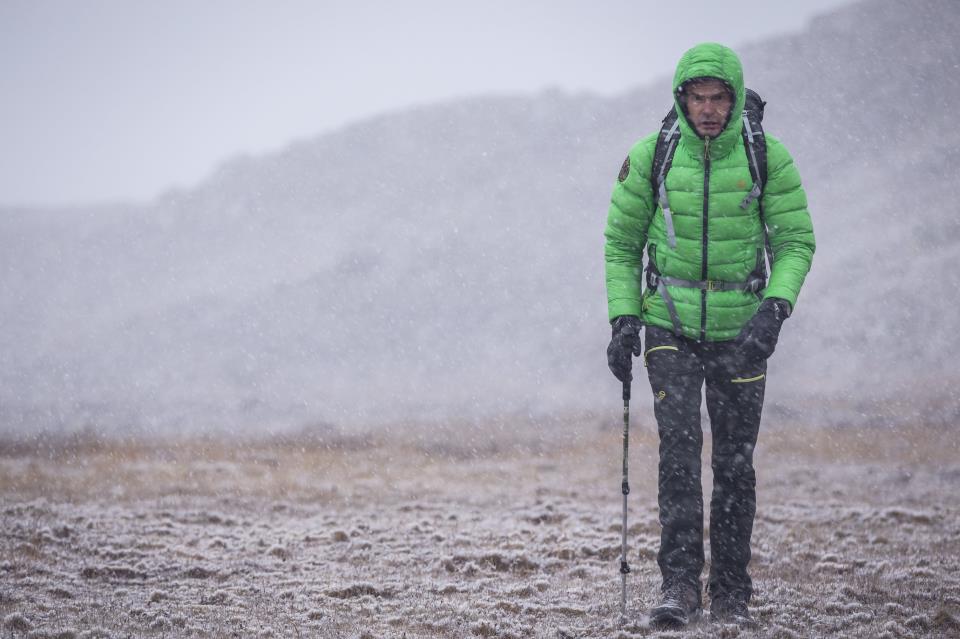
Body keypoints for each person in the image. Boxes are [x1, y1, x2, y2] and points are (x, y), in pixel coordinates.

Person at [603, 42, 815, 627]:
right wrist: (625, 319)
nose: (708, 109)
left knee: (734, 465)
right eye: (697, 97)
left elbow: (795, 242)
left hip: (742, 331)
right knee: (677, 457)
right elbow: (622, 245)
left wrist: (776, 309)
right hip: (668, 325)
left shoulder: (767, 157)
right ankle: (677, 589)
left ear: (736, 97)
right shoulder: (652, 156)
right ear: (681, 98)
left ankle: (729, 593)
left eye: (719, 97)